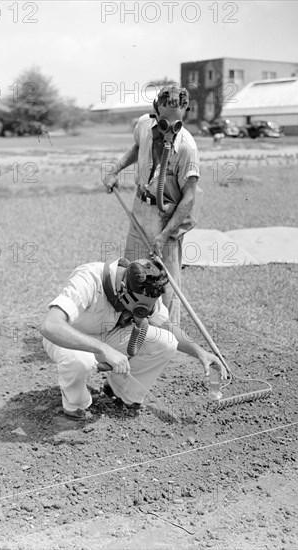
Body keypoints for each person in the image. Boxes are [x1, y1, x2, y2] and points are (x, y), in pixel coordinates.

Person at [39, 257, 227, 420]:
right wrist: (102, 349)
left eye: (148, 309)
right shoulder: (89, 279)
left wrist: (200, 352)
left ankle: (121, 392)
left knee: (166, 342)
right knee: (80, 360)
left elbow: (166, 325)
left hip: (107, 337)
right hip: (67, 339)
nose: (145, 313)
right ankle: (75, 405)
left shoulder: (146, 288)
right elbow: (50, 326)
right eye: (140, 310)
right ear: (123, 289)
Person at [103, 85, 201, 326]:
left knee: (165, 280)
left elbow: (189, 198)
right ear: (156, 110)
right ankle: (130, 324)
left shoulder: (187, 147)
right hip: (140, 208)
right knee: (133, 271)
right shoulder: (144, 125)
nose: (171, 129)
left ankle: (169, 333)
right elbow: (138, 147)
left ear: (184, 115)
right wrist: (115, 170)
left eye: (177, 122)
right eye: (165, 121)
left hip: (166, 217)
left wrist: (165, 235)